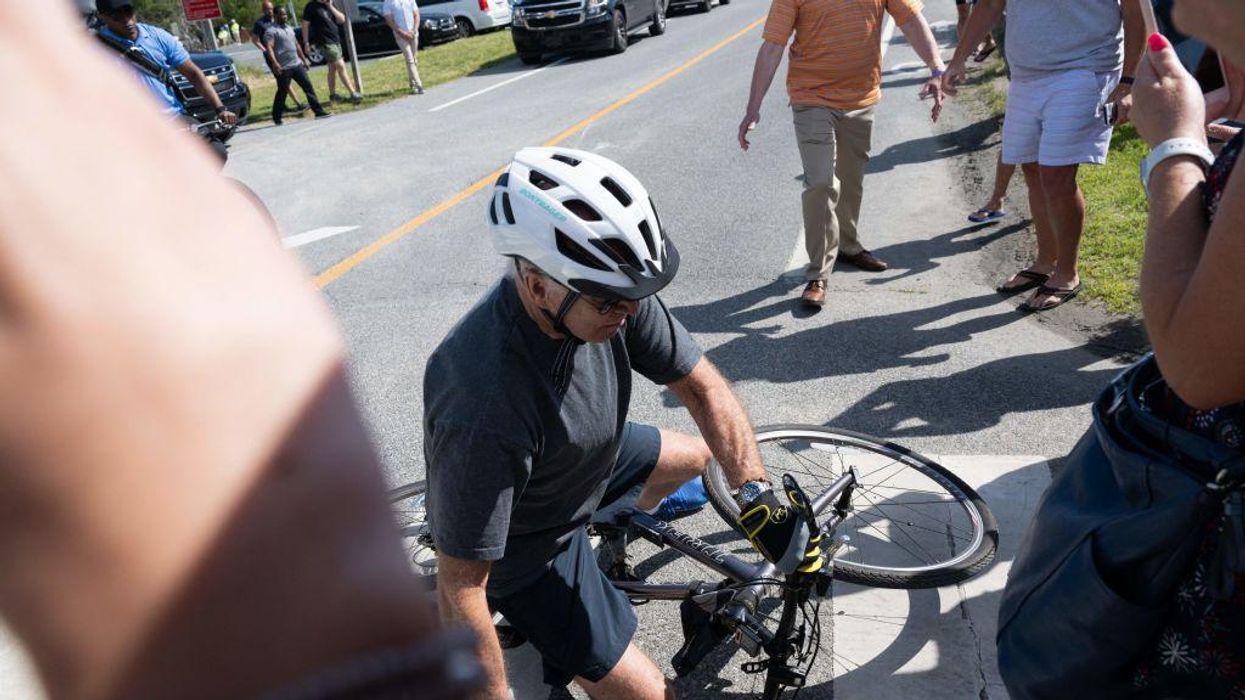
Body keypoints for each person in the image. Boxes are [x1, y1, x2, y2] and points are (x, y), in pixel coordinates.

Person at [1, 1, 483, 698]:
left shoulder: (149, 48)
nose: (122, 14)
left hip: (165, 151)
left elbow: (188, 70)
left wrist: (212, 114)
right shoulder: (94, 66)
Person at [425, 147, 822, 699]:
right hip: (531, 546)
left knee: (701, 458)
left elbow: (701, 387)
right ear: (537, 285)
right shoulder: (484, 402)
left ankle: (613, 529)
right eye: (612, 303)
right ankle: (549, 605)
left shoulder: (607, 289)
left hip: (587, 459)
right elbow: (462, 587)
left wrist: (754, 493)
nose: (631, 312)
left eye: (637, 295)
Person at [738, 0, 948, 309]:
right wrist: (753, 107)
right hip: (811, 97)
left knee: (851, 179)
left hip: (861, 98)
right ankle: (818, 273)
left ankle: (848, 246)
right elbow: (772, 46)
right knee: (821, 183)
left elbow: (911, 19)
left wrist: (936, 67)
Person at [944, 0, 1144, 311]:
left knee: (1056, 175)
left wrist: (1128, 81)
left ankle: (1067, 273)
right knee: (1033, 169)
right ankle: (1045, 262)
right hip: (1027, 74)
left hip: (1086, 68)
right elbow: (990, 4)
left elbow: (1135, 10)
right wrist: (958, 59)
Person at [94, 0, 238, 127]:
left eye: (128, 11)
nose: (126, 20)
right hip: (134, 126)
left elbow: (193, 74)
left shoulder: (157, 36)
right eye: (116, 16)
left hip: (174, 117)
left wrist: (220, 109)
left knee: (215, 148)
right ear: (102, 17)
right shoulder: (96, 48)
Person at [266, 7, 331, 125]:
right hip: (284, 67)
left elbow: (296, 45)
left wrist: (304, 60)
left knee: (308, 86)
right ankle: (276, 117)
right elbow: (269, 48)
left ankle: (318, 111)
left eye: (285, 14)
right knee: (282, 92)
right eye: (282, 15)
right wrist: (275, 63)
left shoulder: (290, 28)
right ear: (275, 16)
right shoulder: (271, 31)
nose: (285, 17)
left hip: (296, 64)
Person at [252, 0, 307, 115]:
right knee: (284, 81)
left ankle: (281, 105)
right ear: (263, 10)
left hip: (286, 56)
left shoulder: (279, 19)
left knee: (283, 82)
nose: (270, 11)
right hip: (273, 57)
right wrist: (265, 50)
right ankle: (298, 104)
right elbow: (255, 40)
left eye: (271, 8)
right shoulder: (260, 24)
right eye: (267, 9)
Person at [302, 0, 362, 105]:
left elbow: (342, 19)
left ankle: (333, 95)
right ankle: (353, 93)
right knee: (340, 66)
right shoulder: (311, 6)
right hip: (324, 42)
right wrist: (306, 42)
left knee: (332, 68)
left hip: (335, 40)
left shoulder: (330, 5)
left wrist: (330, 6)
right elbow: (305, 25)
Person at [384, 0, 425, 95]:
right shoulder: (388, 2)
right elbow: (389, 21)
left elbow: (416, 15)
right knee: (410, 59)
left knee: (414, 59)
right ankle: (419, 85)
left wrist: (414, 30)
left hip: (413, 33)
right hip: (400, 35)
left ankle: (412, 83)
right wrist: (402, 33)